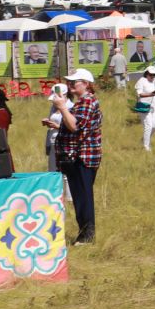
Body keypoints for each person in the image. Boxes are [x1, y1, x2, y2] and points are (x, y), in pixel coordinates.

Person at [51, 68, 103, 245]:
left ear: (86, 84)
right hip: (77, 156)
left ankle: (87, 236)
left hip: (83, 157)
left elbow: (75, 127)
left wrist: (62, 108)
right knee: (80, 196)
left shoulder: (87, 102)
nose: (70, 85)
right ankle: (84, 234)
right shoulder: (82, 102)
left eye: (75, 82)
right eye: (69, 82)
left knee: (83, 197)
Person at [135, 65, 155, 151]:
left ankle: (144, 139)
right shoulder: (141, 81)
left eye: (154, 75)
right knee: (148, 126)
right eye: (151, 74)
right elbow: (139, 94)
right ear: (146, 73)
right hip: (144, 107)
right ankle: (146, 147)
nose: (152, 76)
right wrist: (150, 94)